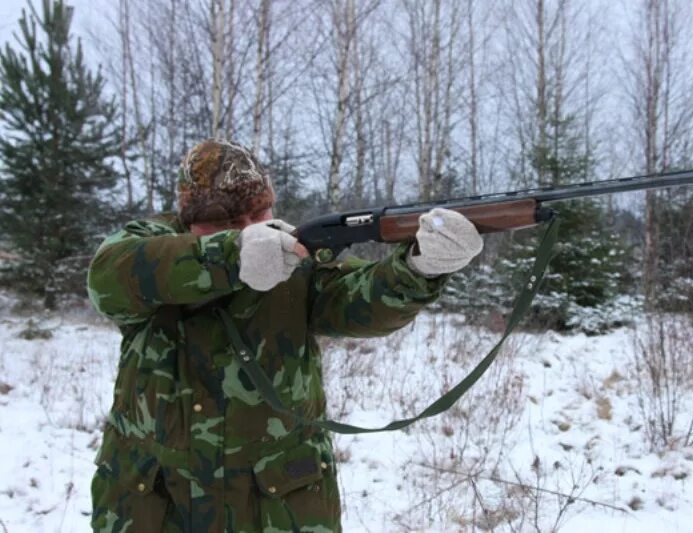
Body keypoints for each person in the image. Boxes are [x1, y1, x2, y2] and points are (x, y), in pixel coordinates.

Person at [87, 138, 484, 532]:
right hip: (156, 505)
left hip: (274, 503)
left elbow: (356, 298)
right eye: (227, 221)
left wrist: (417, 270)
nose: (250, 229)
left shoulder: (290, 255)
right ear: (189, 218)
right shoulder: (151, 246)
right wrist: (230, 255)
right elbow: (109, 279)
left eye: (259, 213)